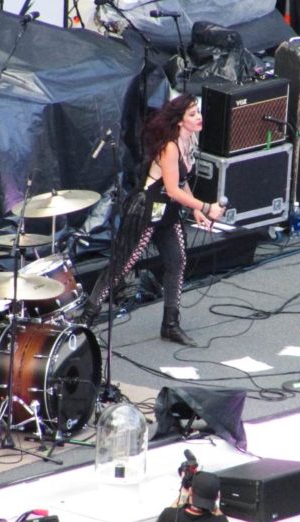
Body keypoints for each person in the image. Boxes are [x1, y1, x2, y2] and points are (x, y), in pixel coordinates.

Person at [79, 93, 224, 346]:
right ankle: (86, 321)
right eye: (192, 114)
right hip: (147, 209)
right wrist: (206, 206)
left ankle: (170, 324)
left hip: (166, 211)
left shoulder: (189, 140)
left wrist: (196, 211)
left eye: (198, 112)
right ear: (179, 121)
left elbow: (182, 182)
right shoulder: (169, 147)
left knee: (177, 262)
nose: (199, 117)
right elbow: (173, 189)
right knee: (122, 266)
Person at [157, 471, 228, 522]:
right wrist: (210, 497)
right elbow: (218, 513)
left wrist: (184, 493)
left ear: (190, 491)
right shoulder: (220, 520)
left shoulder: (168, 515)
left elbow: (173, 510)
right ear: (217, 497)